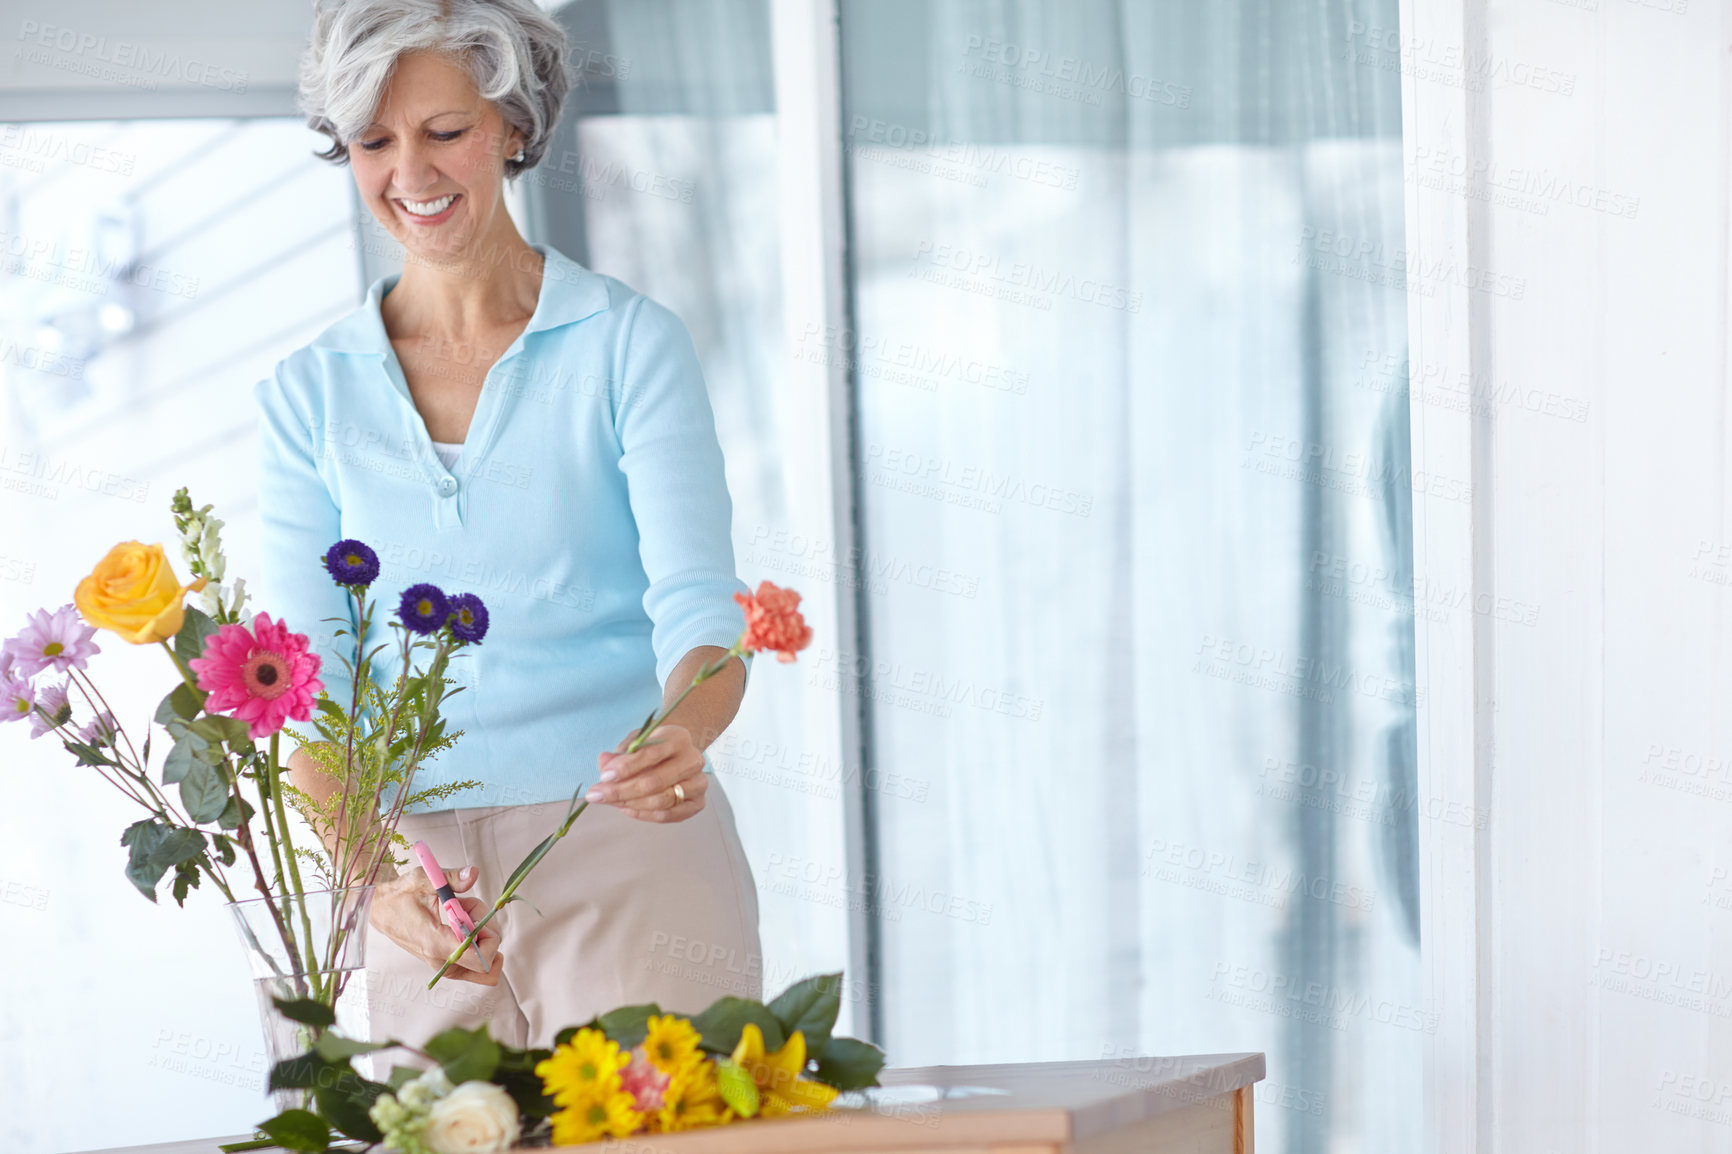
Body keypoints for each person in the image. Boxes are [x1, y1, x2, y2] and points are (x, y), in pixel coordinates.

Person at [256, 0, 761, 1049]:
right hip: (420, 882)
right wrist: (375, 882)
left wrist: (680, 735)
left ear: (515, 128)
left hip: (628, 847)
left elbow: (701, 618)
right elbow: (311, 690)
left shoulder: (627, 346)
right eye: (374, 141)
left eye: (446, 131)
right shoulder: (305, 396)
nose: (413, 173)